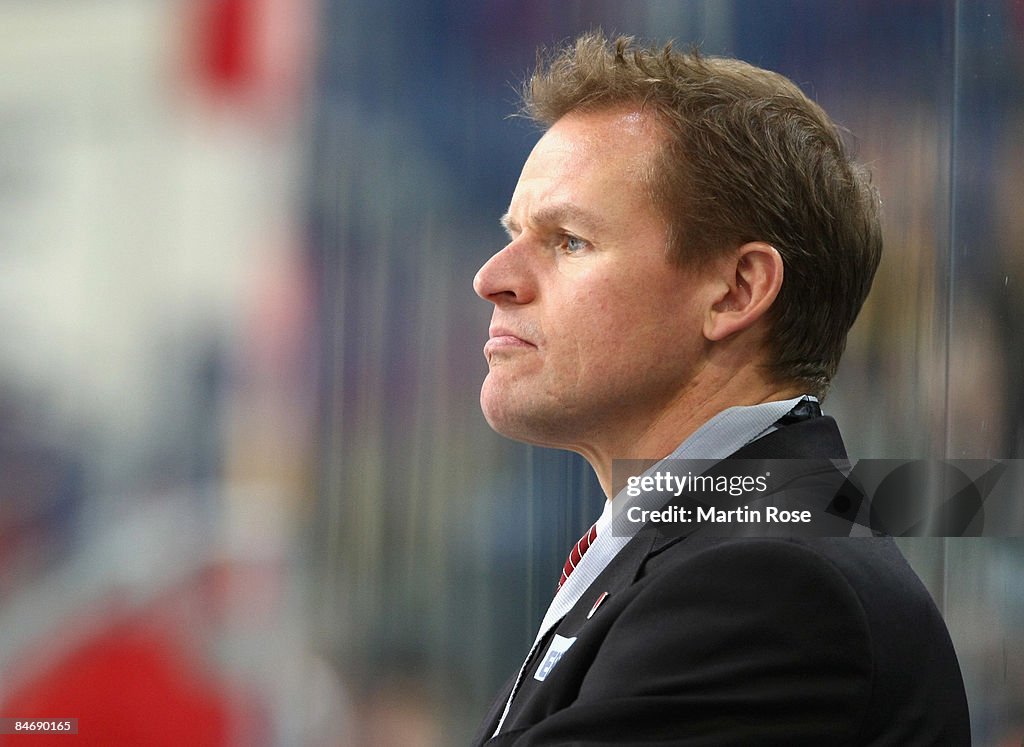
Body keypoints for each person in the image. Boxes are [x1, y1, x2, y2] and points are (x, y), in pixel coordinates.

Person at [470, 32, 970, 745]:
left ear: (736, 291)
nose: (493, 277)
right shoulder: (713, 547)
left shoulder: (769, 582)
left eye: (569, 240)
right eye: (513, 232)